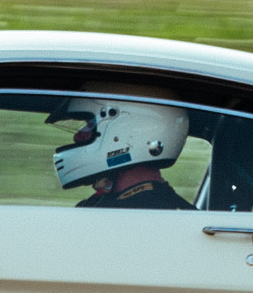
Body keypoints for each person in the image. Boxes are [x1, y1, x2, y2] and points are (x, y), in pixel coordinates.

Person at [48, 90, 194, 209]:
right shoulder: (159, 206)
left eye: (91, 124)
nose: (78, 136)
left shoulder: (136, 214)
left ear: (127, 132)